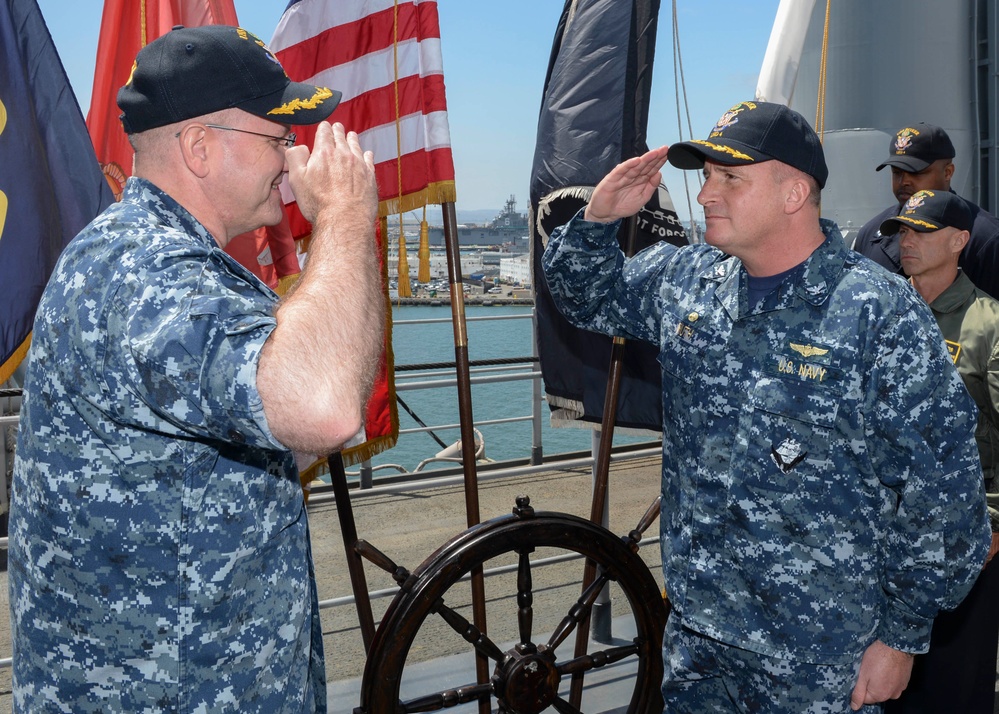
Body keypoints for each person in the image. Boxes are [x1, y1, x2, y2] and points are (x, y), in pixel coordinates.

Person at [541, 101, 990, 713]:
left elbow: (944, 491)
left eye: (730, 178)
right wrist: (596, 219)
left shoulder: (874, 312)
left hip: (820, 658)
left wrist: (902, 636)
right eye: (705, 176)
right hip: (699, 642)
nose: (704, 195)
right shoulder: (686, 283)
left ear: (793, 193)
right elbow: (581, 296)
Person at [9, 25, 384, 713]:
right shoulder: (141, 272)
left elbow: (284, 437)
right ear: (199, 147)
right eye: (277, 135)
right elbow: (325, 408)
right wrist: (346, 214)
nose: (291, 155)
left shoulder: (182, 266)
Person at [875, 190, 999, 714]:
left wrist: (994, 521)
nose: (907, 241)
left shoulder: (986, 326)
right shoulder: (876, 313)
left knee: (951, 687)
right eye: (903, 231)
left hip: (961, 539)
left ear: (960, 241)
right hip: (881, 536)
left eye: (921, 231)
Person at [852, 122, 999, 299]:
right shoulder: (871, 236)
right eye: (897, 172)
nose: (904, 181)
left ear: (948, 172)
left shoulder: (985, 238)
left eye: (916, 172)